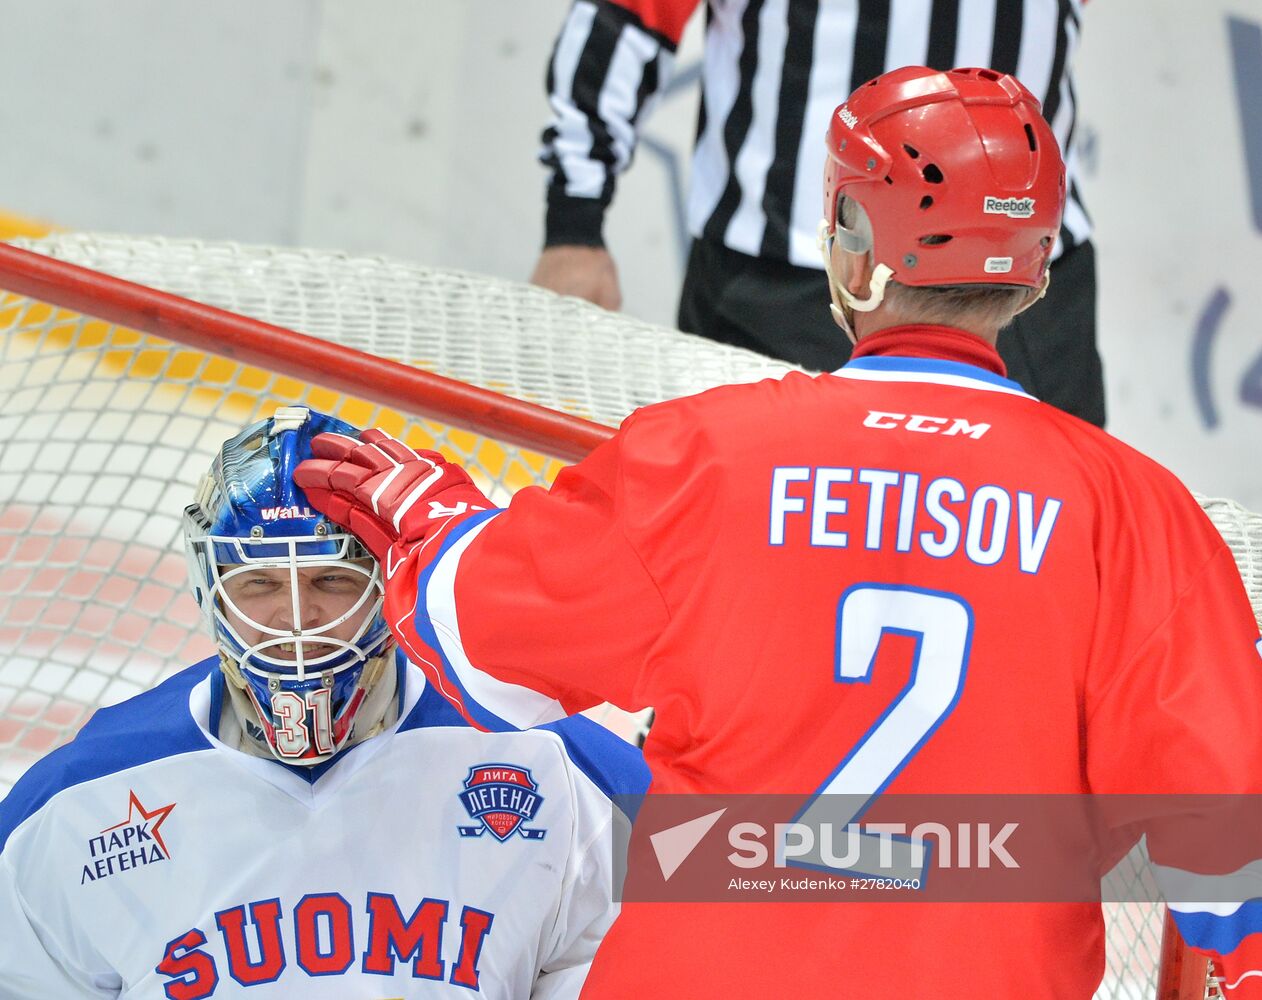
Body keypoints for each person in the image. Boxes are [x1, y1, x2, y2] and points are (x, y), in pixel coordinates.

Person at [299, 70, 1262, 996]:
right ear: (1035, 267)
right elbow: (1236, 853)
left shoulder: (710, 456)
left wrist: (438, 526)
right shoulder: (1131, 513)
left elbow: (482, 645)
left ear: (855, 246)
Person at [0, 406, 647, 999]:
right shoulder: (73, 803)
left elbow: (742, 862)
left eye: (332, 579)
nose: (295, 619)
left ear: (390, 583)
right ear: (210, 587)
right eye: (257, 583)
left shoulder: (547, 757)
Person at [531, 0, 1106, 427]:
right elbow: (626, 17)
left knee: (1042, 548)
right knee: (745, 540)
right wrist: (574, 224)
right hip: (782, 286)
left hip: (1020, 293)